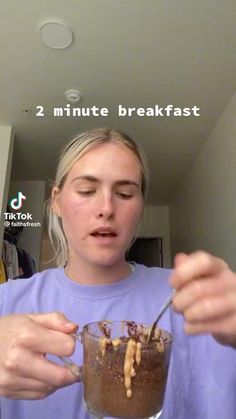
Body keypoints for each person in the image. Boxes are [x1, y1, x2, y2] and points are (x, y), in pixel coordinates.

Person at [0, 127, 236, 419]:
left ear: (140, 206)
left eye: (125, 194)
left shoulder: (192, 300)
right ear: (58, 201)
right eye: (87, 190)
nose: (106, 208)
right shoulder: (7, 302)